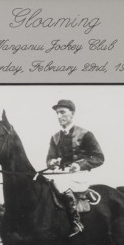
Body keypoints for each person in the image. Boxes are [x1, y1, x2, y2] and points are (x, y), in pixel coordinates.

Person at [46, 99, 104, 236]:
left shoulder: (85, 134)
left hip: (79, 175)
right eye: (57, 113)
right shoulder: (55, 137)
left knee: (59, 184)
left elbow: (99, 157)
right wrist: (51, 162)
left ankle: (76, 221)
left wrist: (79, 165)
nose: (59, 116)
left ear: (72, 113)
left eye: (62, 112)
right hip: (60, 174)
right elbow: (48, 159)